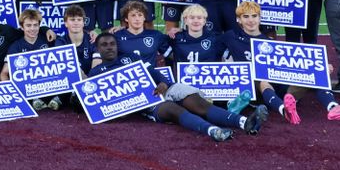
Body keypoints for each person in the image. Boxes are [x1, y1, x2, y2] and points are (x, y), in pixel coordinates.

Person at [90, 33, 264, 141]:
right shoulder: (96, 73)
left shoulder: (130, 58)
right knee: (173, 109)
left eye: (112, 44)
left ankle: (242, 122)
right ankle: (212, 131)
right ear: (98, 48)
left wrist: (164, 83)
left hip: (165, 88)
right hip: (147, 101)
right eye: (104, 45)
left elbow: (153, 72)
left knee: (196, 102)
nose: (109, 47)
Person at [222, 1, 340, 122]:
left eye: (254, 16)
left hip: (279, 84)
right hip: (255, 88)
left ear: (260, 18)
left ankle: (333, 107)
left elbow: (295, 63)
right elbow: (207, 46)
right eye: (245, 17)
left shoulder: (269, 42)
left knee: (316, 74)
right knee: (263, 80)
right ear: (238, 20)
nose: (250, 20)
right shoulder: (230, 36)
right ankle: (284, 110)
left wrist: (320, 67)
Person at [0, 8, 61, 111]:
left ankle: (57, 98)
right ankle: (34, 100)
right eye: (28, 25)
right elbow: (4, 73)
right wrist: (12, 93)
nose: (32, 29)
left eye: (35, 25)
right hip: (28, 88)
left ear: (39, 26)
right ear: (22, 27)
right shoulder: (16, 46)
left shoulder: (48, 39)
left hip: (49, 84)